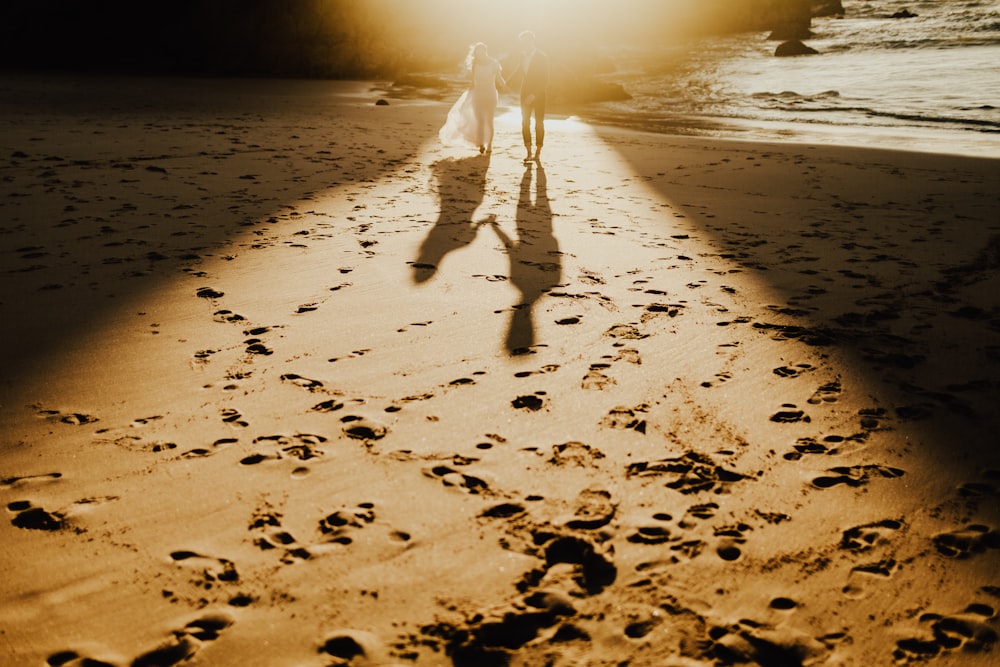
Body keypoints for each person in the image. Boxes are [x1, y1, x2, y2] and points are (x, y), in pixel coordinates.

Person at [439, 42, 504, 154]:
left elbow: (500, 79)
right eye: (478, 53)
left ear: (486, 51)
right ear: (476, 54)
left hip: (490, 94)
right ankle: (481, 144)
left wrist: (505, 84)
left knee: (489, 121)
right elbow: (473, 82)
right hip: (477, 93)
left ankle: (489, 145)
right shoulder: (475, 64)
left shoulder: (494, 64)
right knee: (479, 121)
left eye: (482, 52)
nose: (481, 54)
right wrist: (466, 98)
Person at [504, 31, 549, 162]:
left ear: (532, 40)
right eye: (522, 41)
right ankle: (528, 152)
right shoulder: (522, 56)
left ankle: (538, 152)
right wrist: (507, 83)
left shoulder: (542, 57)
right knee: (525, 122)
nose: (524, 44)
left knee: (539, 124)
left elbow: (545, 80)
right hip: (524, 93)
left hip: (539, 95)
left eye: (527, 41)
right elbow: (519, 70)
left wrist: (534, 95)